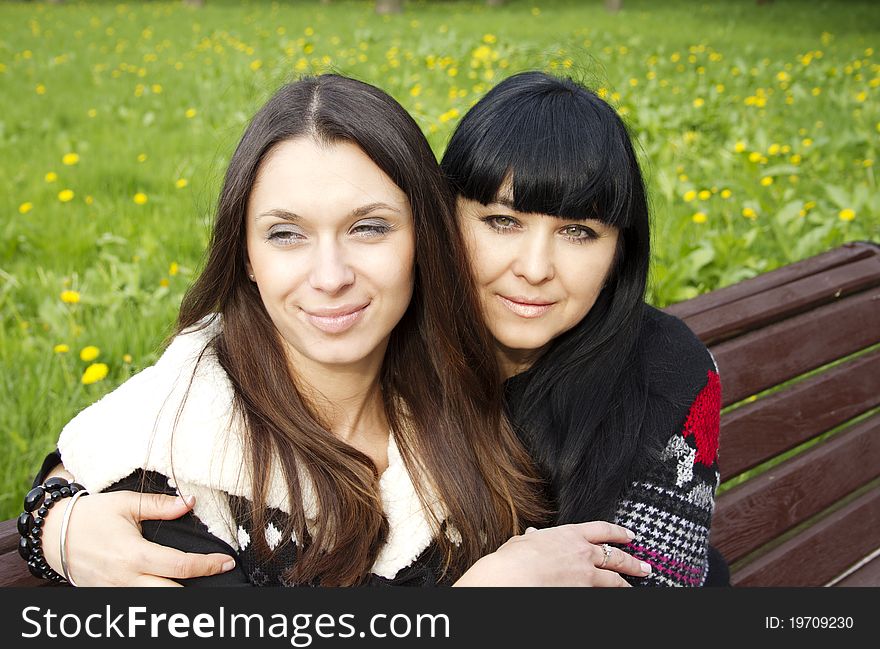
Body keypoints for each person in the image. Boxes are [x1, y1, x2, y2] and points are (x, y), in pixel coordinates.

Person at [20, 74, 648, 587]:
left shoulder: (455, 387)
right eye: (286, 234)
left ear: (424, 239)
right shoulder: (181, 457)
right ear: (245, 256)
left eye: (369, 227)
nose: (330, 276)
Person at [441, 71, 723, 586]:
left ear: (619, 251)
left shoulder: (665, 367)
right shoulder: (387, 354)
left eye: (578, 232)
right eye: (504, 221)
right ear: (444, 218)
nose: (535, 267)